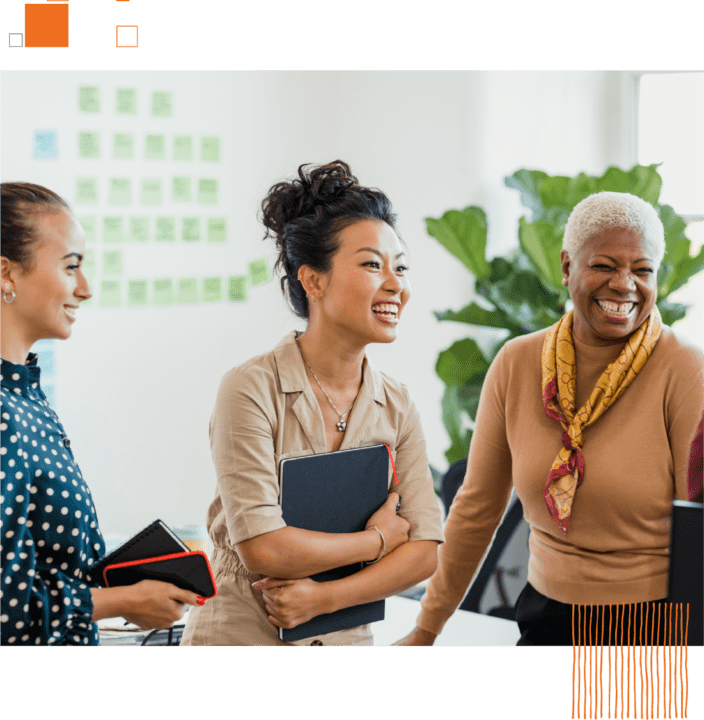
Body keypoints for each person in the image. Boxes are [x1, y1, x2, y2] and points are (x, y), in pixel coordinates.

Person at [395, 191, 704, 647]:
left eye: (643, 270)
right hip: (544, 617)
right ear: (566, 267)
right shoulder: (518, 362)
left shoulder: (684, 370)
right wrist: (425, 630)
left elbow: (696, 532)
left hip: (651, 630)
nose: (624, 285)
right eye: (603, 265)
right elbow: (476, 509)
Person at [180, 161, 444, 646]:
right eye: (372, 264)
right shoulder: (249, 388)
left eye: (400, 266)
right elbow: (265, 548)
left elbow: (425, 551)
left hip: (346, 634)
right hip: (240, 633)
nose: (396, 284)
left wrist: (325, 599)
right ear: (313, 281)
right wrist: (379, 541)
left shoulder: (397, 404)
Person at [0, 182, 202, 645]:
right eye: (71, 267)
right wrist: (123, 602)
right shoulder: (5, 413)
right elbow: (6, 609)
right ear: (7, 273)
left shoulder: (25, 396)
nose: (85, 289)